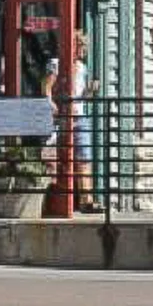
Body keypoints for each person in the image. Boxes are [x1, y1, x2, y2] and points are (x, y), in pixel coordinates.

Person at [45, 34, 99, 212]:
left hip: (80, 117)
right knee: (56, 158)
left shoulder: (82, 67)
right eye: (81, 46)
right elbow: (47, 86)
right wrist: (50, 104)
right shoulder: (56, 63)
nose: (83, 50)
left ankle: (86, 201)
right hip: (61, 117)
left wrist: (90, 90)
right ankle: (53, 201)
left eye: (84, 46)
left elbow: (83, 97)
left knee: (84, 158)